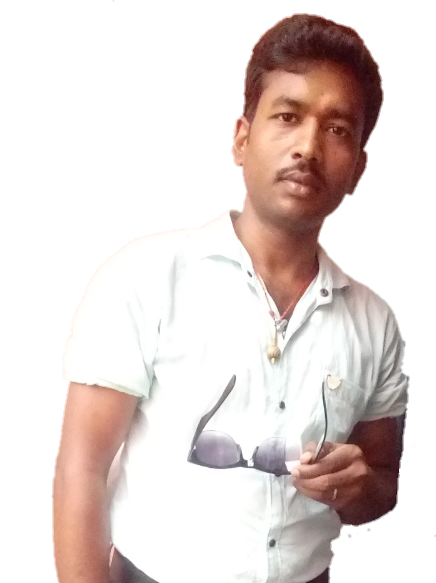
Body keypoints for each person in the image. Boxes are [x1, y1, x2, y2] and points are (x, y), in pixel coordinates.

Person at [53, 13, 409, 583]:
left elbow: (382, 486)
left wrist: (358, 485)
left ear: (359, 171)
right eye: (287, 116)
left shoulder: (375, 322)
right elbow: (82, 470)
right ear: (241, 138)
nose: (308, 146)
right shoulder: (147, 275)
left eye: (338, 129)